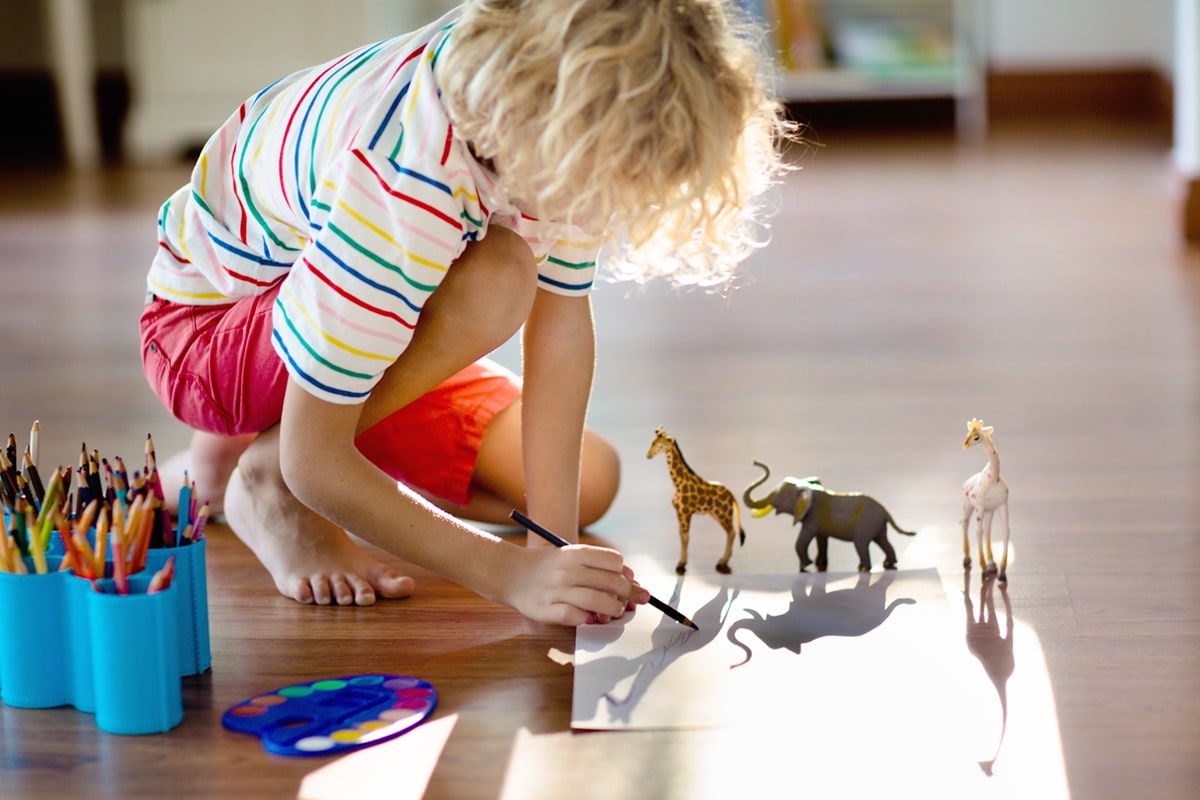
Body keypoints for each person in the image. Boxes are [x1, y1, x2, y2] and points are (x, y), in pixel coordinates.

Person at [139, 0, 793, 624]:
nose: (587, 212)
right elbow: (317, 461)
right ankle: (261, 479)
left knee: (587, 482)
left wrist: (554, 549)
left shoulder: (551, 101)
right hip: (205, 338)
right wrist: (512, 576)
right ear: (539, 116)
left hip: (356, 319)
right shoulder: (404, 177)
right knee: (498, 279)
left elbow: (562, 321)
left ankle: (212, 472)